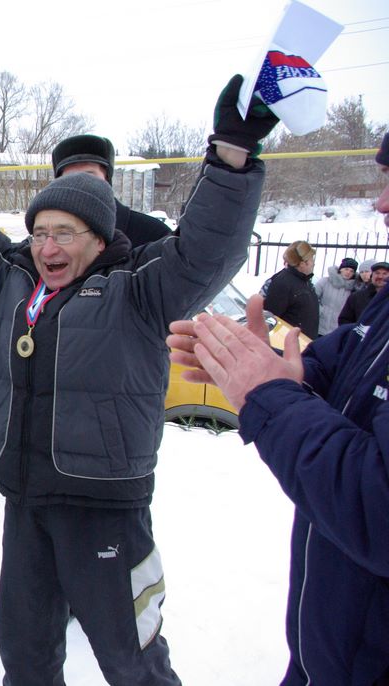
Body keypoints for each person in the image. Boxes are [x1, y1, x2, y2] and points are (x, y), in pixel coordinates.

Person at [0, 66, 275, 685]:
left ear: (100, 236)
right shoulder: (12, 279)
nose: (46, 247)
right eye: (37, 233)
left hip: (105, 510)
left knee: (133, 661)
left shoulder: (140, 290)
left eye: (64, 233)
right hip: (26, 500)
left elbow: (207, 248)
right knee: (25, 655)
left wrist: (232, 157)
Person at [165, 131, 389, 686]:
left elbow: (381, 507)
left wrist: (272, 396)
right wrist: (269, 369)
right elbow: (337, 368)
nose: (381, 204)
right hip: (330, 653)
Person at [52, 134, 172, 248]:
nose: (79, 184)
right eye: (69, 178)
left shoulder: (153, 234)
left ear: (107, 179)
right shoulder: (48, 239)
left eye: (89, 176)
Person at [262, 240, 319, 339]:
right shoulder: (282, 283)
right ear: (302, 263)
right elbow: (271, 318)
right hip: (289, 346)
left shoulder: (304, 280)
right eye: (311, 259)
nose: (313, 263)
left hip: (304, 344)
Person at [313, 256, 358, 335]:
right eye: (346, 269)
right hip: (319, 326)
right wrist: (321, 311)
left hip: (337, 330)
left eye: (351, 271)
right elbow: (313, 297)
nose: (348, 273)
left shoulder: (353, 288)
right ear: (340, 269)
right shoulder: (325, 281)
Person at [338, 259, 389, 326]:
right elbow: (344, 320)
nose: (380, 276)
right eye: (377, 273)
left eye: (385, 273)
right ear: (372, 276)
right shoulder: (356, 297)